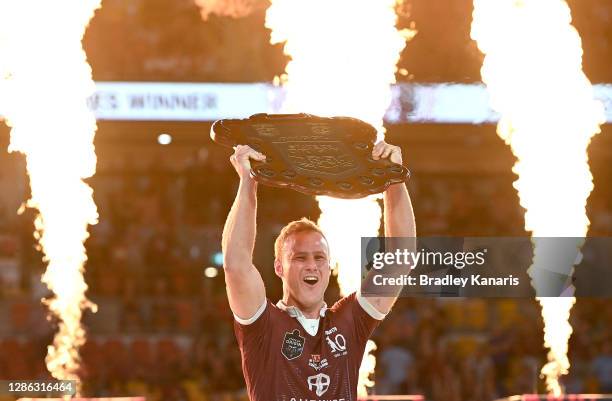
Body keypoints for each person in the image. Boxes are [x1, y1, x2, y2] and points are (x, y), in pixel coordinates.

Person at [222, 141, 416, 401]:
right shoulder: (263, 325)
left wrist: (394, 178)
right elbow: (236, 266)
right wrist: (249, 180)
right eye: (300, 257)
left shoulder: (350, 322)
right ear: (279, 267)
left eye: (319, 257)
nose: (312, 265)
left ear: (329, 265)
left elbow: (400, 260)